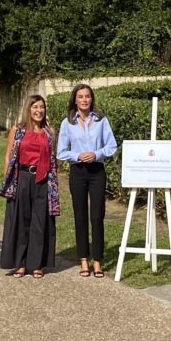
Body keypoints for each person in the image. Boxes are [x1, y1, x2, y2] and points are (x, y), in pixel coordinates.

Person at [57, 84, 117, 278]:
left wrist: (97, 153)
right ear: (75, 99)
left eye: (87, 97)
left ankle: (98, 261)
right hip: (78, 171)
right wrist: (77, 156)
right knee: (80, 216)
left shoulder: (101, 121)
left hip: (97, 171)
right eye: (80, 96)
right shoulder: (67, 123)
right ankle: (83, 259)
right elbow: (60, 151)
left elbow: (112, 146)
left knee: (97, 216)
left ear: (91, 99)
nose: (84, 100)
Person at [0, 95, 60, 279]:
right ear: (28, 109)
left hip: (43, 179)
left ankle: (36, 263)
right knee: (20, 220)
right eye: (35, 107)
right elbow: (8, 155)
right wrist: (8, 179)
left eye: (41, 107)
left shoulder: (50, 132)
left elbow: (53, 159)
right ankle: (20, 263)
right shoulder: (17, 130)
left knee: (40, 222)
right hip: (22, 178)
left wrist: (54, 183)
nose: (39, 110)